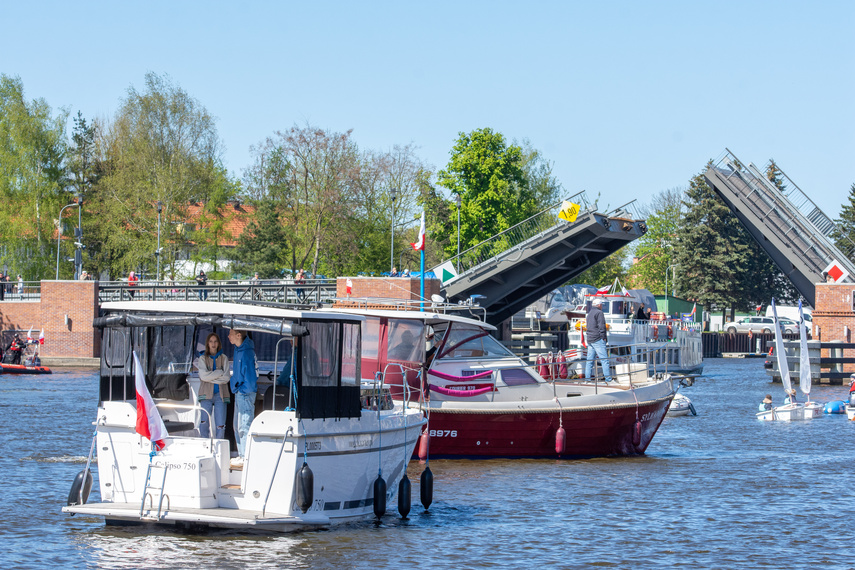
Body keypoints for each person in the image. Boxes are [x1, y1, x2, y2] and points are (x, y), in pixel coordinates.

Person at [228, 328, 257, 468]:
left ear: (239, 335)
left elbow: (250, 380)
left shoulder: (246, 352)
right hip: (239, 393)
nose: (228, 336)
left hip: (245, 394)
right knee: (236, 425)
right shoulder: (237, 349)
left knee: (244, 426)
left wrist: (241, 389)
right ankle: (241, 454)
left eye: (231, 334)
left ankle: (246, 457)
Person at [195, 333, 231, 440]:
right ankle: (204, 443)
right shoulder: (202, 358)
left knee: (220, 424)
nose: (213, 344)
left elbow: (226, 377)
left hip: (221, 395)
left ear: (218, 343)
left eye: (215, 341)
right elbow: (203, 376)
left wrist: (210, 376)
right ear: (207, 343)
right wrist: (219, 372)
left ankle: (219, 445)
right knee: (204, 422)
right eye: (211, 341)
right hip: (206, 395)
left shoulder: (224, 358)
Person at [584, 298, 613, 383]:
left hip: (590, 339)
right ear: (599, 305)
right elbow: (602, 326)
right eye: (601, 305)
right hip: (597, 339)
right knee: (604, 360)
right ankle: (608, 379)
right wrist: (604, 337)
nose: (602, 306)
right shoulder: (599, 313)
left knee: (589, 361)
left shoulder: (589, 314)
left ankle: (587, 379)